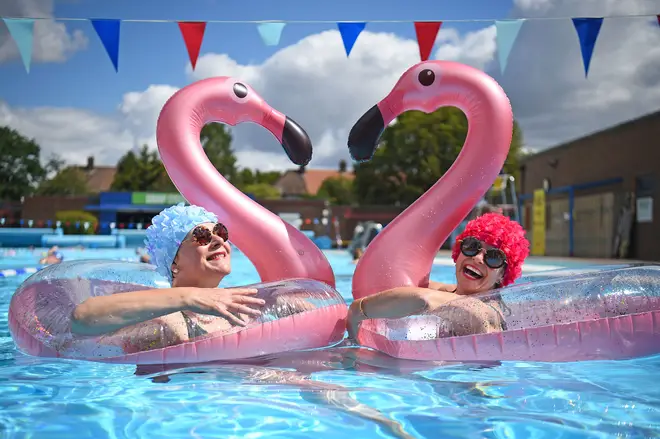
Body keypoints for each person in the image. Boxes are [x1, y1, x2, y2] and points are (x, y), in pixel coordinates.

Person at [70, 203, 268, 351]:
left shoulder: (241, 310)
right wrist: (187, 297)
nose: (218, 240)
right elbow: (82, 318)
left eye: (221, 233)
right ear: (174, 263)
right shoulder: (166, 319)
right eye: (202, 237)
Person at [347, 213, 530, 339]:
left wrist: (358, 310)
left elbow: (422, 299)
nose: (477, 258)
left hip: (476, 391)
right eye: (471, 246)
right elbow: (409, 284)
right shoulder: (452, 292)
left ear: (502, 275)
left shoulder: (487, 313)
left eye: (493, 257)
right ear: (458, 252)